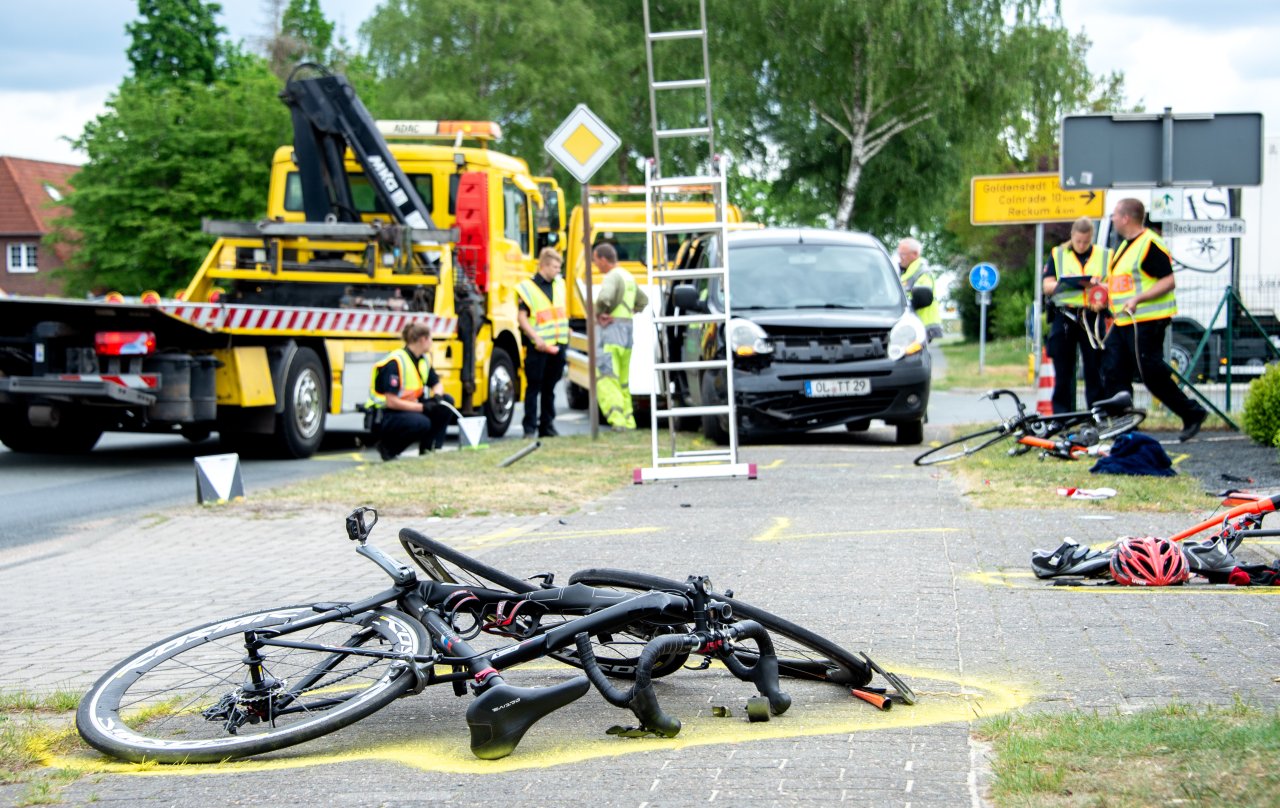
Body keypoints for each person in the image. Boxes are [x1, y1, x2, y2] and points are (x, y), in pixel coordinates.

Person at [1101, 198, 1208, 442]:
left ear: (1127, 217)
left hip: (1147, 321)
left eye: (1115, 215)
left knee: (1151, 374)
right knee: (1113, 370)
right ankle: (1123, 427)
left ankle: (1192, 412)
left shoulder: (1149, 244)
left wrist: (1139, 298)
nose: (1114, 220)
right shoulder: (1126, 246)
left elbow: (1168, 281)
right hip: (1124, 322)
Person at [1041, 216, 1108, 413]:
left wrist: (1098, 289)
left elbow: (1112, 283)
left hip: (1092, 317)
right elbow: (1047, 285)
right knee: (1063, 370)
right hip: (1065, 316)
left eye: (1085, 242)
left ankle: (1096, 412)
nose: (1081, 245)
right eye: (1078, 241)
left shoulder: (1104, 255)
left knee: (1094, 369)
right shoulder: (1058, 254)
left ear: (1091, 237)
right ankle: (1063, 414)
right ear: (1072, 236)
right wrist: (1067, 283)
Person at [365, 322, 453, 460]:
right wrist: (423, 407)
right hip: (385, 415)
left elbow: (437, 384)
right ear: (423, 339)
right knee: (422, 423)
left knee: (446, 402)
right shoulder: (396, 362)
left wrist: (436, 397)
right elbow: (391, 401)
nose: (431, 343)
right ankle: (388, 449)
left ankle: (429, 450)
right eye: (430, 339)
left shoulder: (423, 360)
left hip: (407, 408)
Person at [592, 242, 648, 430]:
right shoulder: (628, 276)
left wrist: (599, 314)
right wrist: (632, 310)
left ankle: (617, 420)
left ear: (603, 259)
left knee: (608, 376)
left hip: (611, 333)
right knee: (623, 380)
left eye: (596, 261)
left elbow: (604, 298)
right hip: (627, 333)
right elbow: (643, 300)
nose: (596, 265)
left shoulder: (612, 276)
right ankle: (628, 419)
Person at [515, 247, 569, 438]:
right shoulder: (527, 288)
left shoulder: (559, 284)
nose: (557, 270)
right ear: (544, 266)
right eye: (554, 267)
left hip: (558, 343)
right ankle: (529, 428)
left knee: (550, 388)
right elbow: (522, 317)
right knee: (533, 388)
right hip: (538, 346)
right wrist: (535, 338)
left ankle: (547, 425)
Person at [896, 238, 943, 341]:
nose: (900, 257)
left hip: (922, 326)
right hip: (908, 325)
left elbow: (922, 297)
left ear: (915, 254)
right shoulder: (905, 272)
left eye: (903, 254)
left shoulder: (922, 273)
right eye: (899, 254)